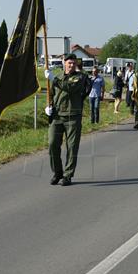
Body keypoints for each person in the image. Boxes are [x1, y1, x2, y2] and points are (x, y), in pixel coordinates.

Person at [44, 53, 92, 186]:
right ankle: (57, 172)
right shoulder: (58, 77)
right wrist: (48, 106)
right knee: (52, 144)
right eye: (69, 63)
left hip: (73, 117)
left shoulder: (80, 77)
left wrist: (53, 78)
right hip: (57, 117)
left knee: (71, 147)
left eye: (73, 63)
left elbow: (69, 88)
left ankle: (67, 175)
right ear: (64, 63)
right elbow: (51, 94)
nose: (71, 65)